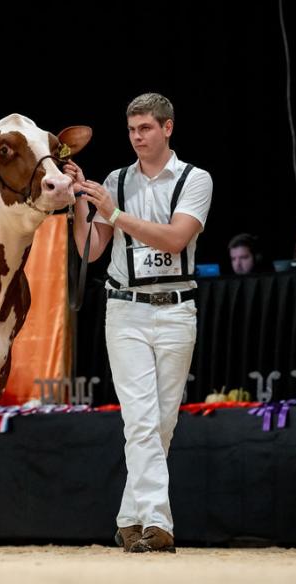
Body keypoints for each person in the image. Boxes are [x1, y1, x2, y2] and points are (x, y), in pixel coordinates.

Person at [68, 92, 212, 553]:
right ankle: (158, 523)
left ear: (168, 128)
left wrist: (112, 211)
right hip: (125, 308)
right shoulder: (115, 180)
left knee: (162, 422)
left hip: (176, 309)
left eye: (146, 128)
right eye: (132, 130)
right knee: (142, 420)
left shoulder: (195, 179)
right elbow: (91, 250)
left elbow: (174, 240)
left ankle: (130, 519)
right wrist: (80, 202)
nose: (137, 137)